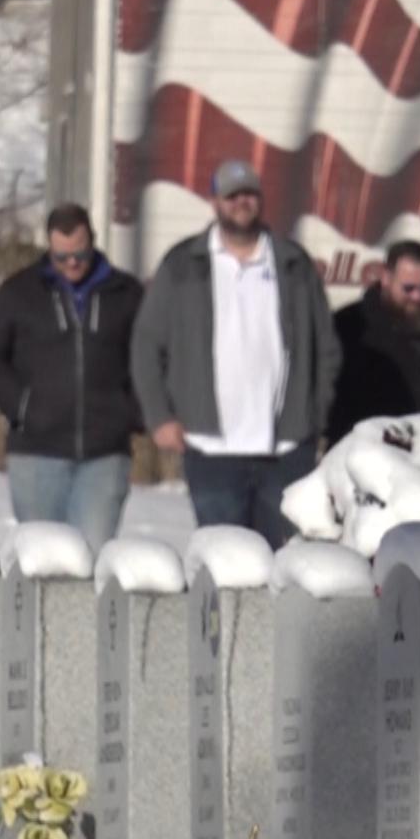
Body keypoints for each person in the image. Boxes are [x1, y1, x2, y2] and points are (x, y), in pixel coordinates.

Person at [131, 159, 340, 548]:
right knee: (226, 566)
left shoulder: (293, 265)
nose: (241, 203)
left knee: (286, 566)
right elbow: (146, 345)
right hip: (212, 449)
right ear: (215, 202)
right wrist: (160, 417)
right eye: (232, 195)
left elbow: (325, 346)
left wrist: (314, 415)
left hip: (285, 448)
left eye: (249, 194)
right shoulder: (183, 265)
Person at [0, 203, 144, 553]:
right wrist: (23, 408)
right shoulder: (19, 293)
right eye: (61, 257)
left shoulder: (126, 294)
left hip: (104, 455)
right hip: (37, 454)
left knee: (92, 557)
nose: (72, 264)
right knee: (42, 561)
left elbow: (149, 359)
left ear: (92, 240)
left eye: (79, 254)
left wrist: (130, 411)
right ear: (49, 246)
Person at [327, 240, 420, 442]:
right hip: (362, 452)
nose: (418, 297)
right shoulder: (350, 326)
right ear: (386, 278)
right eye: (409, 288)